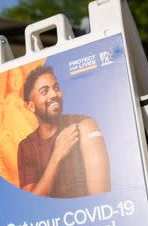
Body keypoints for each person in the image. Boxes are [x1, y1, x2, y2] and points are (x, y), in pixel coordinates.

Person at [17, 65, 111, 198]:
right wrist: (57, 154)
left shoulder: (84, 125)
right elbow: (31, 203)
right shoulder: (26, 147)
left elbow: (100, 198)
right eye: (44, 91)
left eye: (56, 88)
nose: (54, 94)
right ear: (31, 106)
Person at [1, 67, 38, 145]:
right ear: (8, 80)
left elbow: (36, 125)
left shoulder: (24, 103)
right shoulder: (6, 106)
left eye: (19, 75)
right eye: (13, 76)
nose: (16, 79)